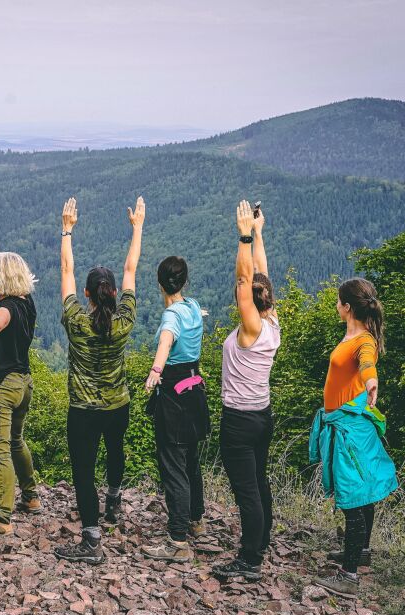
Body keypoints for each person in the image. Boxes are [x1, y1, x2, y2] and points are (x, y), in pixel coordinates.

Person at [55, 195, 144, 565]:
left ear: (87, 294)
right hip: (118, 405)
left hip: (84, 410)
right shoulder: (124, 322)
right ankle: (114, 498)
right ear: (114, 293)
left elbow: (66, 271)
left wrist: (67, 230)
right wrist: (137, 228)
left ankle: (92, 541)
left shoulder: (76, 321)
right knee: (116, 450)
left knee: (83, 472)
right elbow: (130, 269)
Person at [309, 277, 398, 598]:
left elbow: (367, 363)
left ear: (347, 307)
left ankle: (348, 576)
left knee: (353, 500)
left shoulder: (364, 340)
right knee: (364, 494)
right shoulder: (352, 335)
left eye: (338, 301)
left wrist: (371, 382)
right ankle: (361, 552)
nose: (336, 305)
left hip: (350, 431)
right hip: (348, 425)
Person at [210, 201, 281, 581]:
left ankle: (250, 559)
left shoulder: (252, 328)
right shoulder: (271, 322)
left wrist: (244, 236)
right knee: (260, 480)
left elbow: (244, 280)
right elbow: (260, 275)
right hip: (262, 416)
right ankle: (262, 540)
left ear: (252, 302)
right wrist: (259, 233)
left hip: (238, 419)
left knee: (246, 490)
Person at [139, 253, 209, 563]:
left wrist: (156, 370)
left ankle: (178, 540)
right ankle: (196, 519)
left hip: (174, 396)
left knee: (173, 466)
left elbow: (166, 341)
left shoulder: (171, 316)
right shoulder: (192, 306)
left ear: (160, 284)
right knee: (190, 459)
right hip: (194, 390)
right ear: (184, 281)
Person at [0, 252, 40, 542]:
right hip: (23, 383)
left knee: (0, 451)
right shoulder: (28, 304)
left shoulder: (7, 307)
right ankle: (31, 496)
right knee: (16, 441)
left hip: (0, 387)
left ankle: (1, 518)